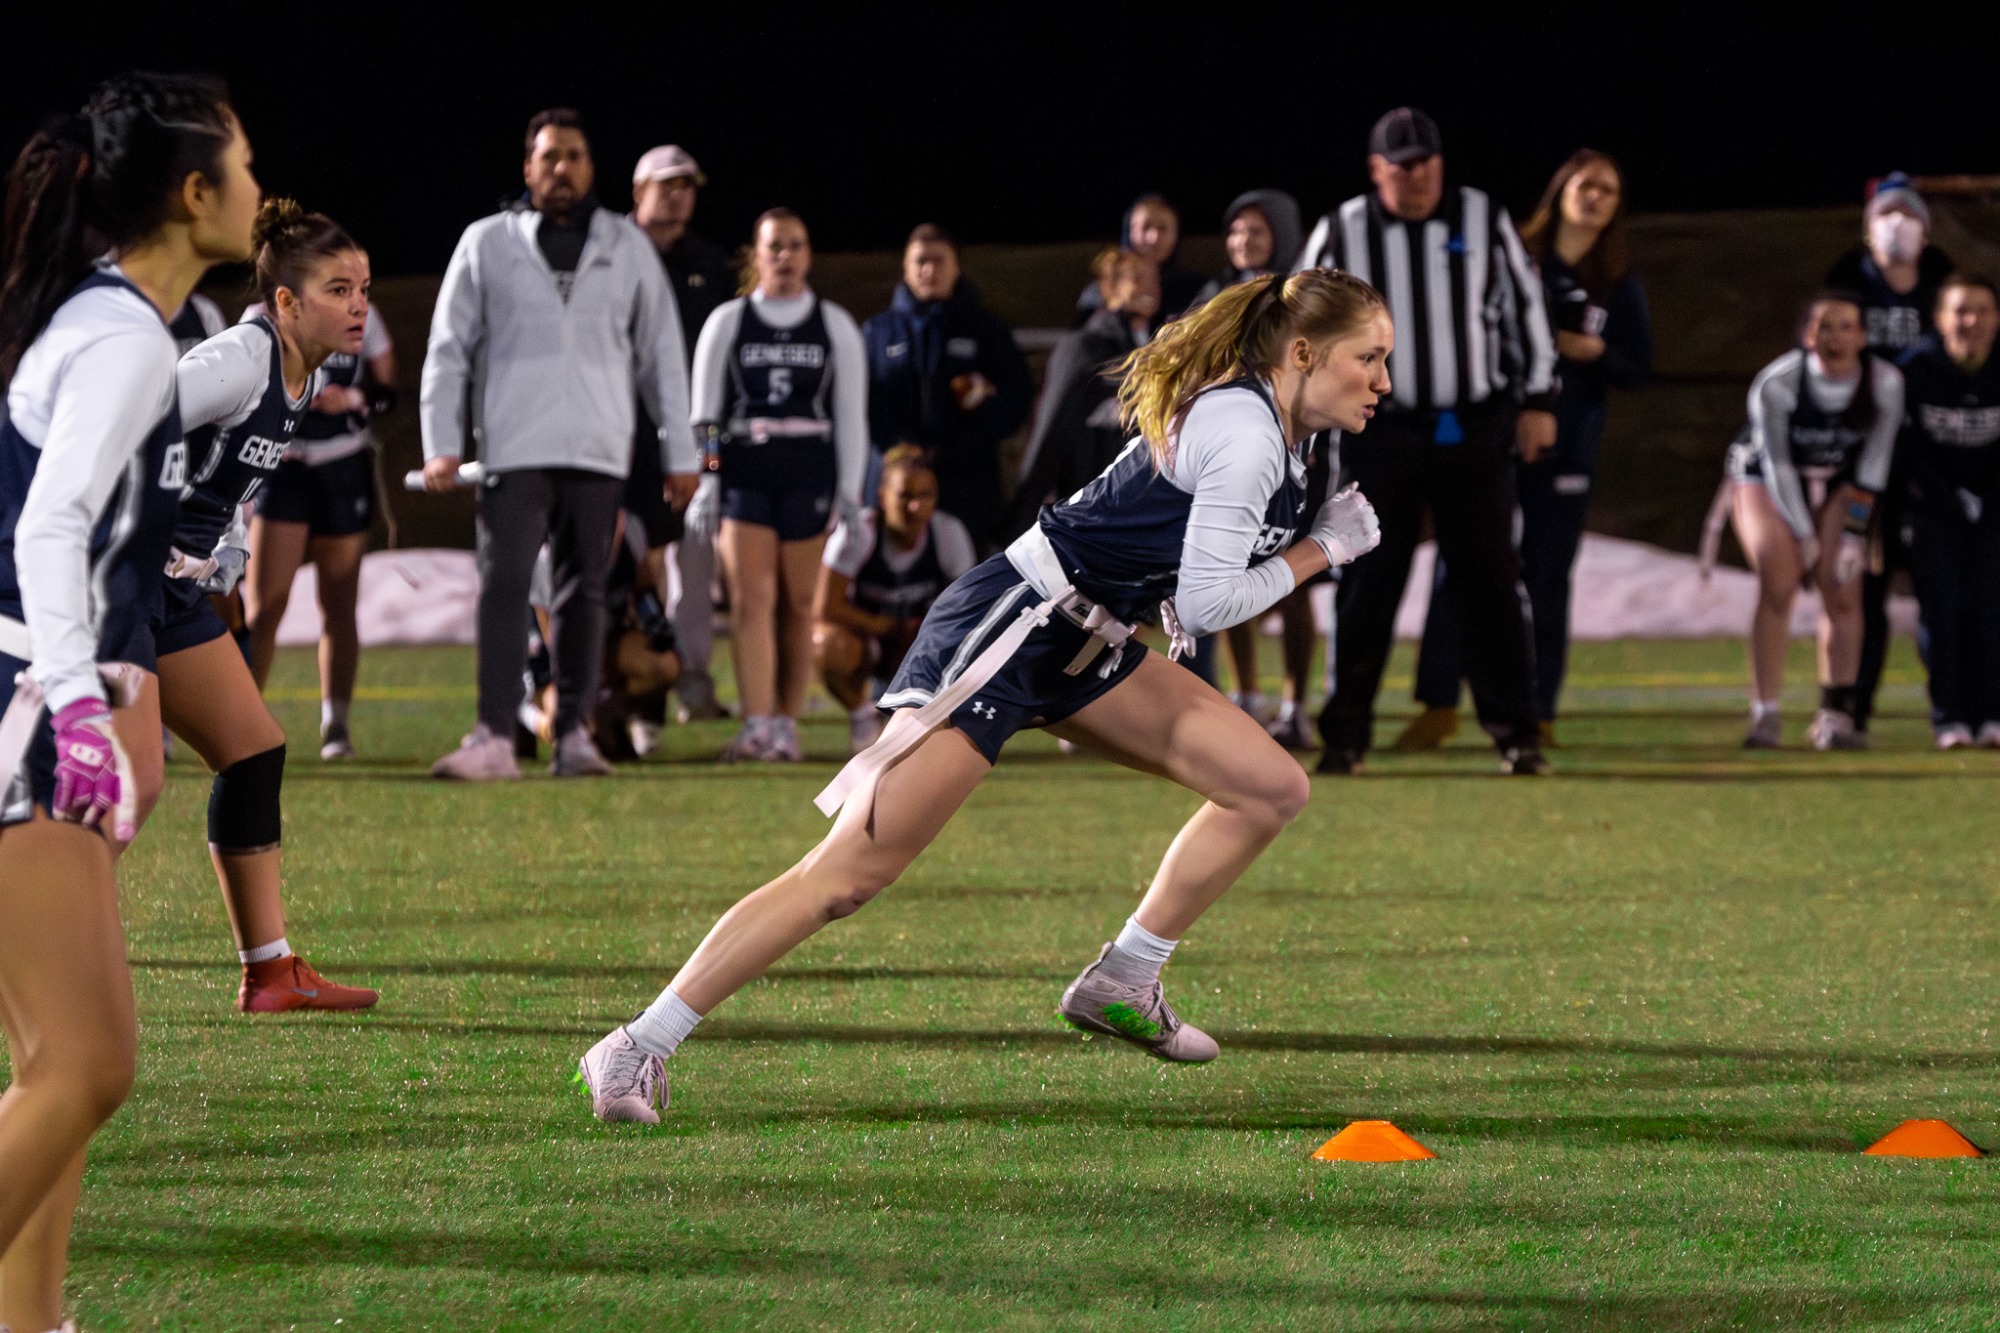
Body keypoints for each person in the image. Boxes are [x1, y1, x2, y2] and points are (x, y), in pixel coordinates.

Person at [574, 269, 1389, 1124]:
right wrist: (1322, 550)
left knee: (1270, 786)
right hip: (1015, 627)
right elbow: (1207, 603)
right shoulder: (1249, 429)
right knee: (848, 875)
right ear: (1301, 353)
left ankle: (1127, 973)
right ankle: (635, 1044)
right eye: (1367, 358)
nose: (1382, 380)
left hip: (1089, 641)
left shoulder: (1286, 434)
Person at [0, 72, 255, 1333]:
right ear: (195, 194)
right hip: (23, 710)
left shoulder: (124, 323)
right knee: (93, 1064)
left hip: (27, 691)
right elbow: (49, 527)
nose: (260, 192)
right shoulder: (122, 338)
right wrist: (77, 707)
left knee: (56, 1068)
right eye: (245, 170)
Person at [137, 197, 384, 1015]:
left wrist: (225, 550)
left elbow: (228, 474)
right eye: (339, 289)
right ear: (285, 301)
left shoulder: (303, 371)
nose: (359, 306)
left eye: (363, 288)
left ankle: (270, 971)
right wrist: (149, 536)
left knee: (251, 751)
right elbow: (133, 416)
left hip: (168, 588)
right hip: (119, 582)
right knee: (124, 786)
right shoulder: (241, 357)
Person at [421, 108, 698, 780]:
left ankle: (573, 732)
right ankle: (492, 733)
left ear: (591, 168)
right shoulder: (486, 242)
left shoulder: (626, 246)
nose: (562, 168)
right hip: (513, 446)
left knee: (585, 594)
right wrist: (442, 441)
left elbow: (663, 353)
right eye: (549, 157)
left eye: (574, 155)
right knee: (506, 584)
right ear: (528, 167)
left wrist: (681, 453)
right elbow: (448, 349)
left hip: (601, 447)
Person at [1297, 107, 1557, 775]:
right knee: (1367, 580)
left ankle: (1515, 730)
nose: (1416, 176)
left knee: (1492, 578)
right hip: (1380, 430)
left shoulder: (1482, 216)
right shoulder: (1344, 229)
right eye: (1402, 164)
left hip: (1472, 425)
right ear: (1377, 169)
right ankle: (1345, 734)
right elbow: (1296, 321)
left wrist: (1536, 398)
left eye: (1426, 162)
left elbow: (1525, 308)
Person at [1405, 150, 1653, 745]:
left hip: (1568, 450)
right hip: (1492, 438)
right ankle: (1438, 703)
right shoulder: (1516, 259)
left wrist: (1598, 355)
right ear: (1561, 190)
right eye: (1586, 185)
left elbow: (1638, 369)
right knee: (1460, 563)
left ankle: (1537, 710)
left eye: (1609, 191)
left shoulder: (1617, 283)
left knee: (1548, 576)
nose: (1595, 197)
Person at [685, 208, 868, 762]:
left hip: (808, 468)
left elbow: (851, 415)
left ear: (808, 254)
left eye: (795, 245)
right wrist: (708, 480)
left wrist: (851, 494)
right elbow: (706, 415)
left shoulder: (832, 323)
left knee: (798, 603)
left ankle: (787, 724)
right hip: (745, 468)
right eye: (774, 247)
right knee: (751, 598)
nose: (784, 257)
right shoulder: (729, 321)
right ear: (756, 255)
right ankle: (756, 723)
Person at [1725, 293, 1902, 748]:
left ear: (1863, 336)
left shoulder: (1884, 382)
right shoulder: (1778, 383)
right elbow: (1779, 464)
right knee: (1778, 581)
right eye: (1825, 327)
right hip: (1768, 479)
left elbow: (1874, 469)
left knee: (1844, 587)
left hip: (1841, 483)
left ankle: (1836, 713)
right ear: (1807, 335)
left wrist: (1853, 537)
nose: (1836, 337)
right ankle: (1765, 713)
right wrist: (1804, 534)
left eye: (1847, 327)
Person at [240, 290, 394, 760]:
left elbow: (387, 388)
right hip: (282, 466)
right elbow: (238, 393)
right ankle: (241, 723)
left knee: (339, 601)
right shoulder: (261, 317)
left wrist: (350, 396)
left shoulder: (360, 313)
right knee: (263, 608)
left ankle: (337, 726)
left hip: (341, 464)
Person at [1828, 173, 1954, 741]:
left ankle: (1957, 710)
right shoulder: (1847, 285)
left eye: (1908, 214)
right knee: (1864, 587)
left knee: (1944, 588)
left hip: (1931, 463)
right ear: (1867, 227)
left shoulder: (1945, 288)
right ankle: (1852, 707)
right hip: (1864, 471)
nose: (1896, 224)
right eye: (1885, 214)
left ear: (1926, 229)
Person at [1190, 190, 1319, 743]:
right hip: (1232, 458)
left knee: (1293, 582)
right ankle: (1245, 696)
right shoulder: (1215, 295)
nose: (1243, 242)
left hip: (1293, 455)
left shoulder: (1303, 298)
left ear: (1283, 236)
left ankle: (1295, 705)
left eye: (1256, 232)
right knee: (1230, 575)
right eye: (1236, 231)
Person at [630, 143, 734, 724]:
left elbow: (718, 374)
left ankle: (692, 676)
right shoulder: (612, 253)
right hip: (623, 432)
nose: (678, 195)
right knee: (636, 556)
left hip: (697, 435)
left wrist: (712, 459)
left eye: (687, 185)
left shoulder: (709, 263)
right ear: (638, 190)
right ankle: (641, 691)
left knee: (695, 554)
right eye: (666, 184)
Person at [861, 224, 1033, 549]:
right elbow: (862, 403)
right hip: (896, 482)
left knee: (967, 583)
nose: (929, 270)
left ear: (957, 266)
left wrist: (968, 431)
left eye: (939, 260)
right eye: (920, 261)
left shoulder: (986, 329)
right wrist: (898, 448)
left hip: (966, 484)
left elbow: (1016, 401)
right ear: (906, 269)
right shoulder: (877, 332)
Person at [814, 445, 977, 753]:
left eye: (925, 496)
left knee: (970, 647)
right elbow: (825, 607)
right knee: (825, 644)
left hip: (922, 644)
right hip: (868, 642)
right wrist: (885, 626)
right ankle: (862, 716)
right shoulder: (857, 534)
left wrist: (921, 634)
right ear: (882, 496)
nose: (915, 507)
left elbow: (968, 614)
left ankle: (943, 726)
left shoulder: (948, 534)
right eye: (904, 495)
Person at [1896, 273, 2000, 747]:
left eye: (1981, 310)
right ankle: (1949, 717)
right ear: (1940, 319)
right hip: (1935, 511)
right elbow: (1905, 449)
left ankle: (1991, 715)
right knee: (1944, 612)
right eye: (1960, 310)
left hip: (1994, 511)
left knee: (1990, 609)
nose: (1970, 321)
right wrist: (1945, 497)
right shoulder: (1915, 370)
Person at [1007, 247, 1161, 538]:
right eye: (1137, 279)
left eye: (1154, 279)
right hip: (1091, 501)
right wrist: (1023, 521)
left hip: (1137, 501)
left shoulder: (1155, 347)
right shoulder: (1084, 346)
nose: (1150, 288)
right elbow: (1050, 431)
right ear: (1111, 286)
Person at [1076, 194, 1208, 322]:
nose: (1154, 238)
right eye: (1145, 227)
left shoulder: (1196, 290)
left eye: (1163, 229)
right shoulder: (1101, 292)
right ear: (1130, 231)